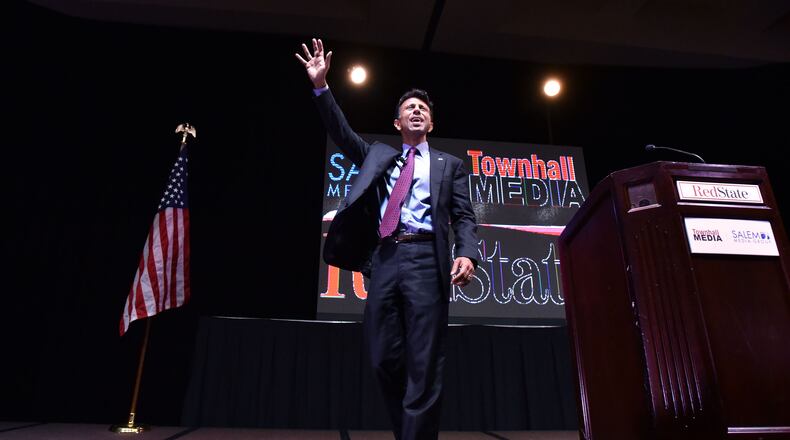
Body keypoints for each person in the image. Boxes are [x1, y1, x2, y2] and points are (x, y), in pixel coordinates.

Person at [296, 38, 479, 440]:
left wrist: (467, 254)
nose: (417, 110)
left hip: (427, 261)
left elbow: (465, 217)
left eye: (423, 109)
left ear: (431, 123)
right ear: (398, 124)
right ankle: (409, 433)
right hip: (384, 259)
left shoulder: (451, 166)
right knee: (383, 358)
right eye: (409, 108)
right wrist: (322, 88)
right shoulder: (379, 155)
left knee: (425, 362)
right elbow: (341, 132)